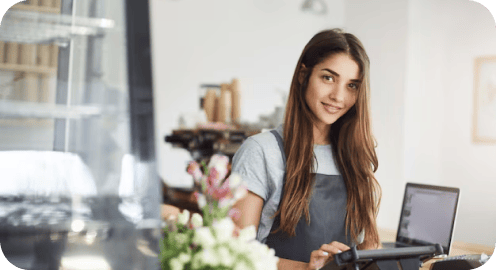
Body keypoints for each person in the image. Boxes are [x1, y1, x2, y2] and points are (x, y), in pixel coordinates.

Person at [231, 28, 382, 270]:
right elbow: (236, 255)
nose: (338, 96)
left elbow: (366, 246)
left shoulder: (355, 157)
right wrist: (306, 268)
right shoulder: (261, 151)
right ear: (303, 75)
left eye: (352, 85)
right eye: (328, 78)